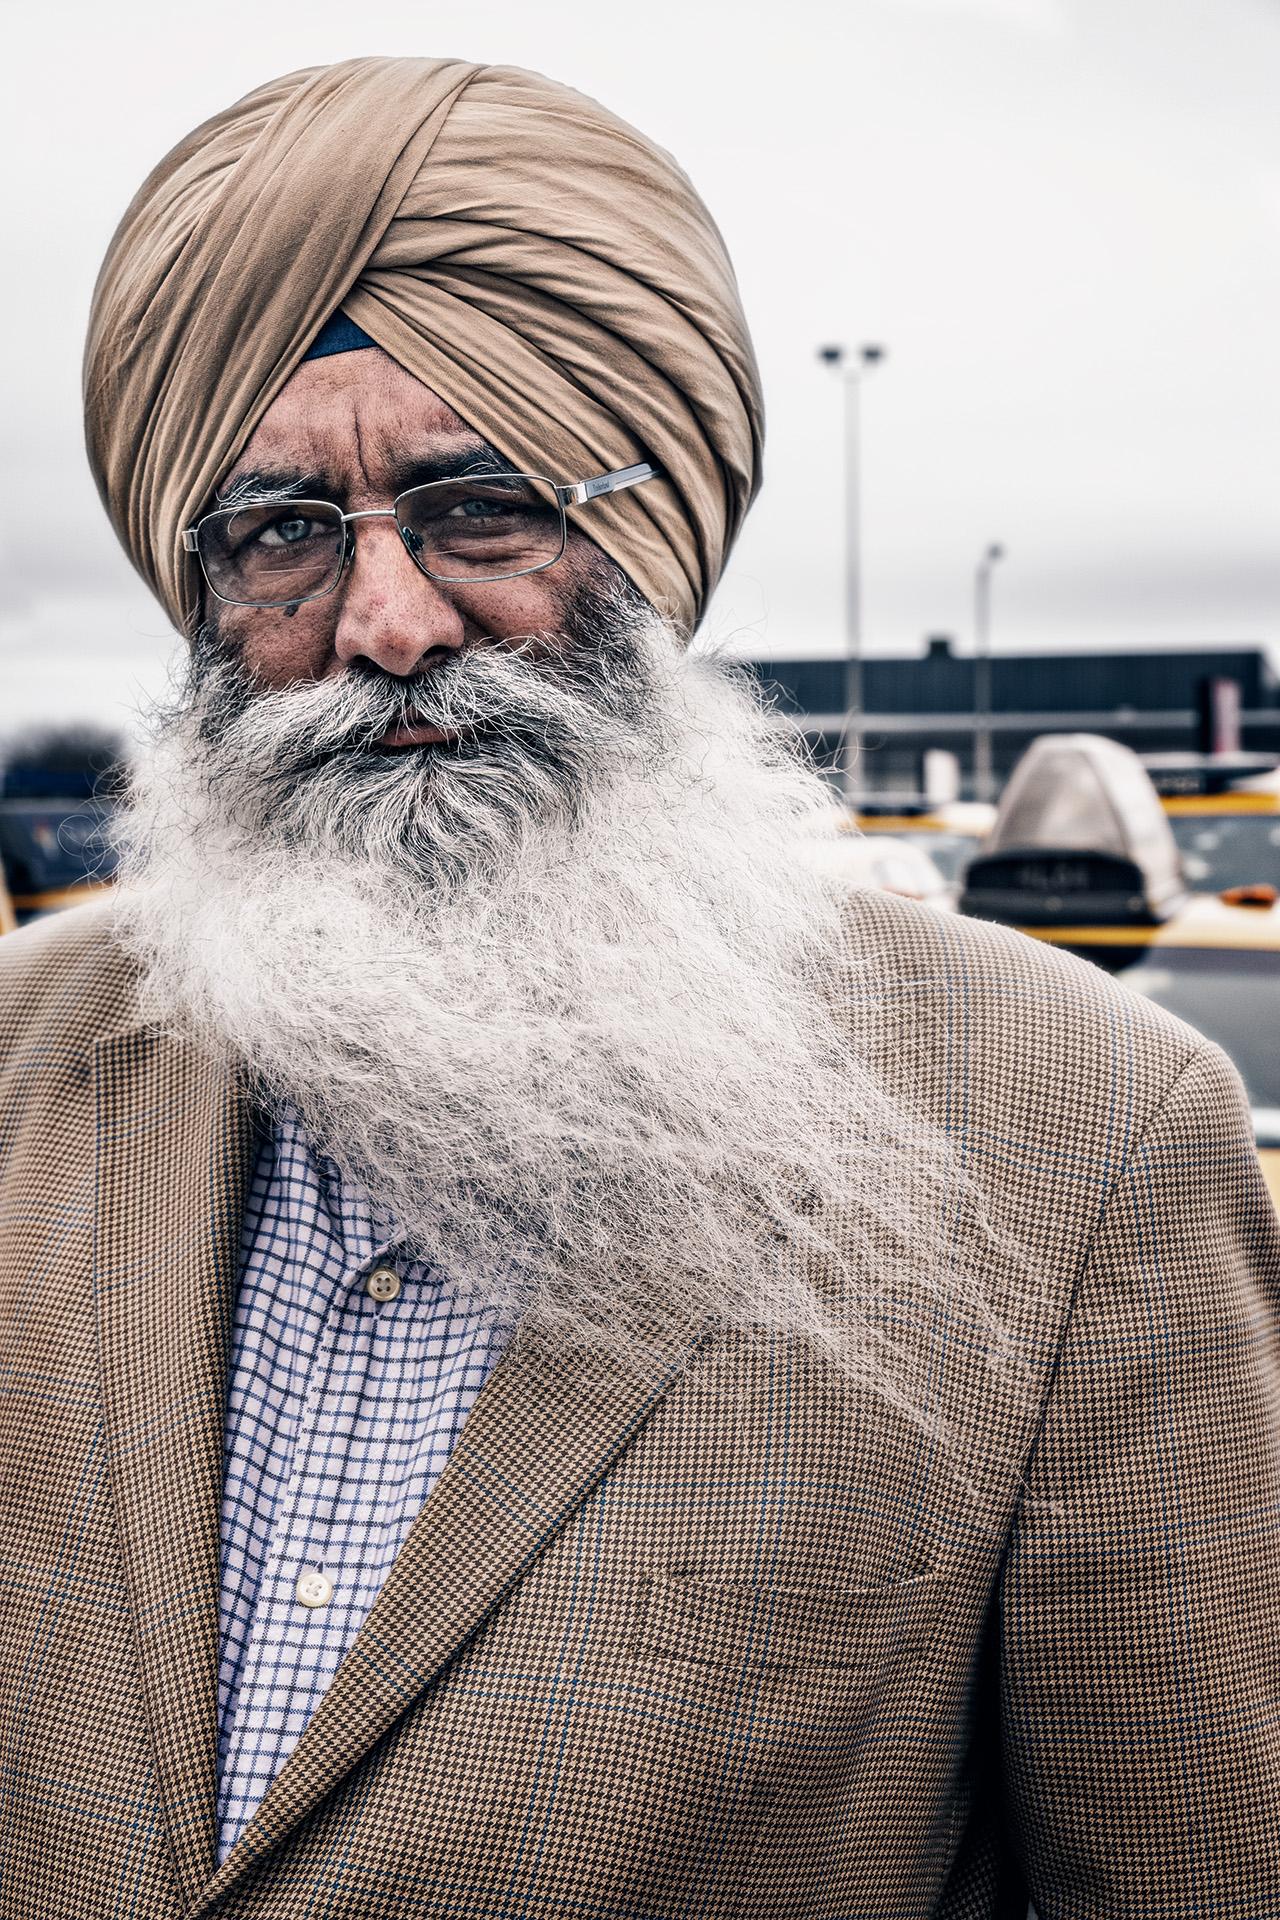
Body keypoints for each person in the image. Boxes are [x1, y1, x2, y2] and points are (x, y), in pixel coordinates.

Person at [0, 55, 1276, 1920]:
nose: (389, 625)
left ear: (653, 529)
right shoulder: (27, 1053)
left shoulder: (1087, 1137)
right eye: (281, 535)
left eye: (482, 507)